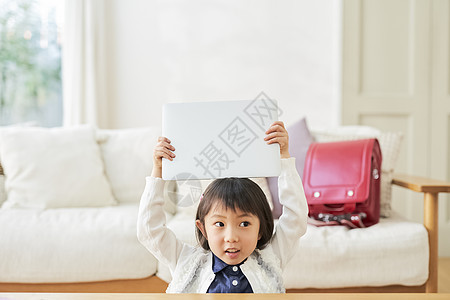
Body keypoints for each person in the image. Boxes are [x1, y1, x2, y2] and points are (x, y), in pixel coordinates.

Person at [137, 121, 308, 293]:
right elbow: (149, 230)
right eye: (219, 224)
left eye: (244, 224)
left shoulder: (272, 258)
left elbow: (296, 218)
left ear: (260, 230)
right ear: (202, 228)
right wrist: (158, 170)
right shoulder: (186, 261)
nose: (231, 237)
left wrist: (284, 158)